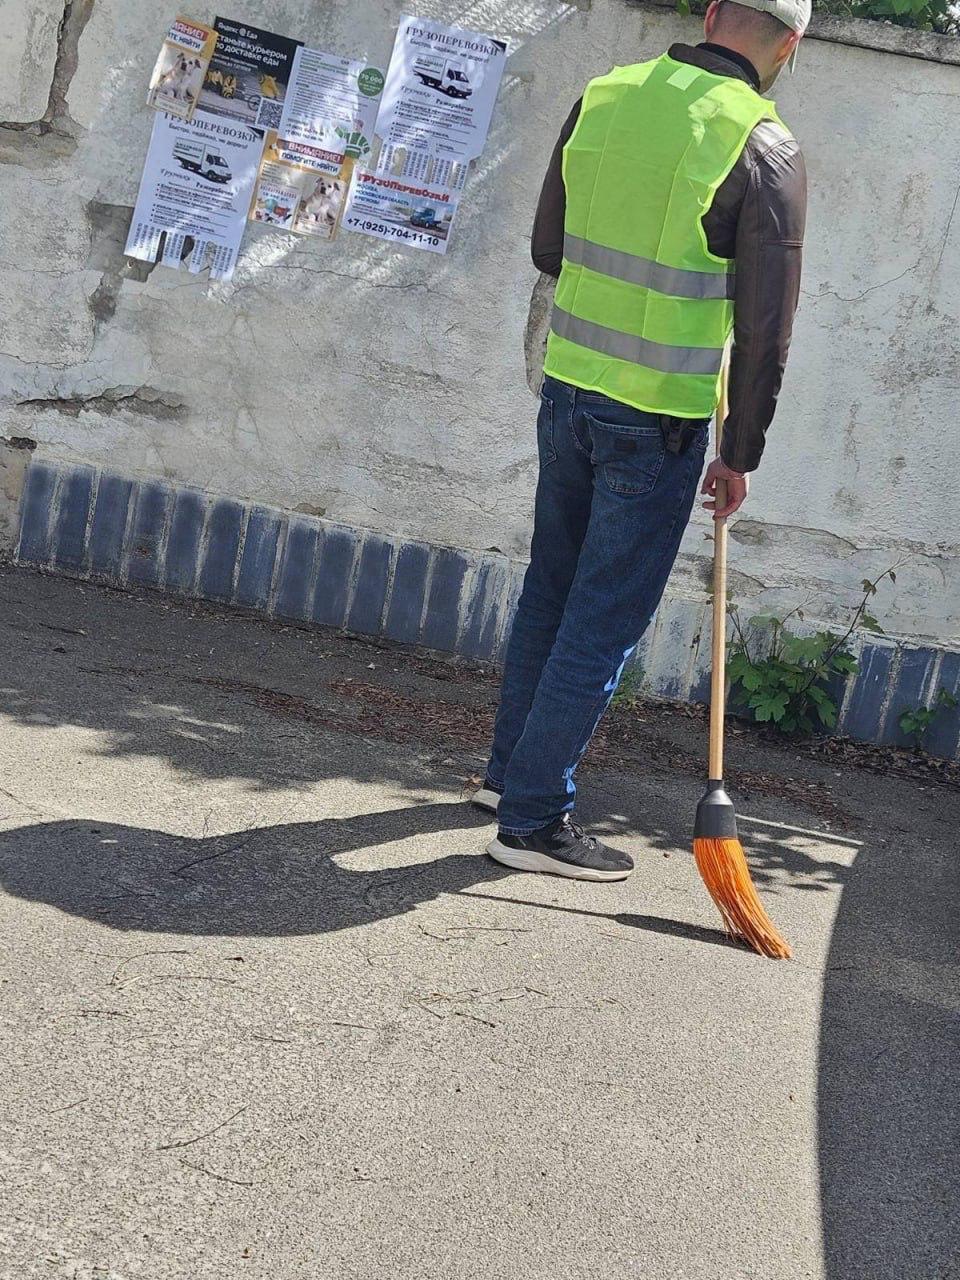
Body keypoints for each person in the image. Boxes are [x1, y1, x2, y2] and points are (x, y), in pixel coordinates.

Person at [474, 0, 810, 880]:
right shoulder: (763, 146)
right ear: (791, 45)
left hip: (569, 389)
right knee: (602, 619)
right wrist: (739, 452)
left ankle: (508, 777)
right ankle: (533, 821)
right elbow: (766, 331)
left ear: (709, 14)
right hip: (655, 417)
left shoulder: (607, 93)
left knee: (550, 591)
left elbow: (550, 247)